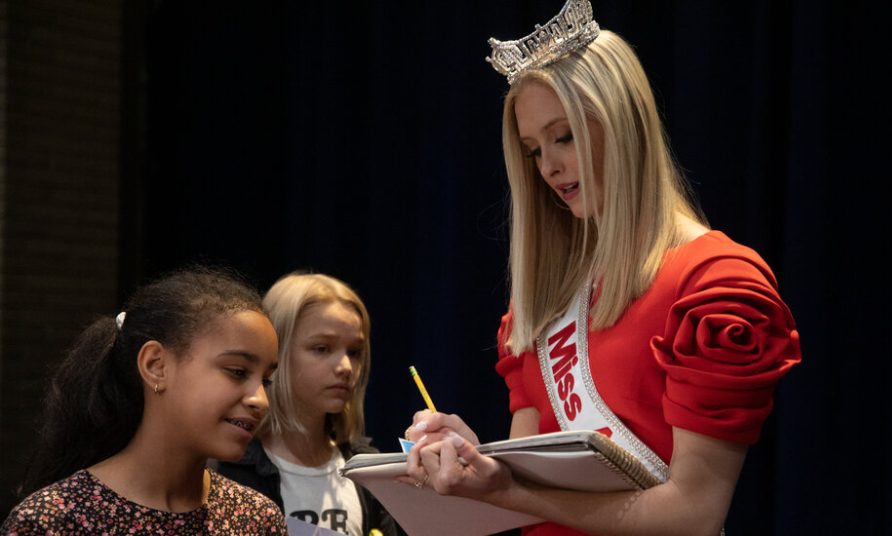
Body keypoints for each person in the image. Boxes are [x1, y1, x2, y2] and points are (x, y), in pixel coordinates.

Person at [404, 1, 803, 535]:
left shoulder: (714, 284)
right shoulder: (545, 296)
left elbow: (693, 515)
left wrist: (508, 488)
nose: (549, 167)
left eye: (564, 136)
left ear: (623, 124)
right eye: (532, 150)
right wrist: (475, 466)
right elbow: (530, 491)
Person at [1, 267, 286, 534]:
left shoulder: (257, 518)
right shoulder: (54, 520)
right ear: (155, 365)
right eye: (237, 372)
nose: (260, 400)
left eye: (265, 381)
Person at [215, 273, 399, 536]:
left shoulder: (368, 471)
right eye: (322, 348)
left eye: (354, 352)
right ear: (276, 352)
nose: (346, 367)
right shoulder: (228, 469)